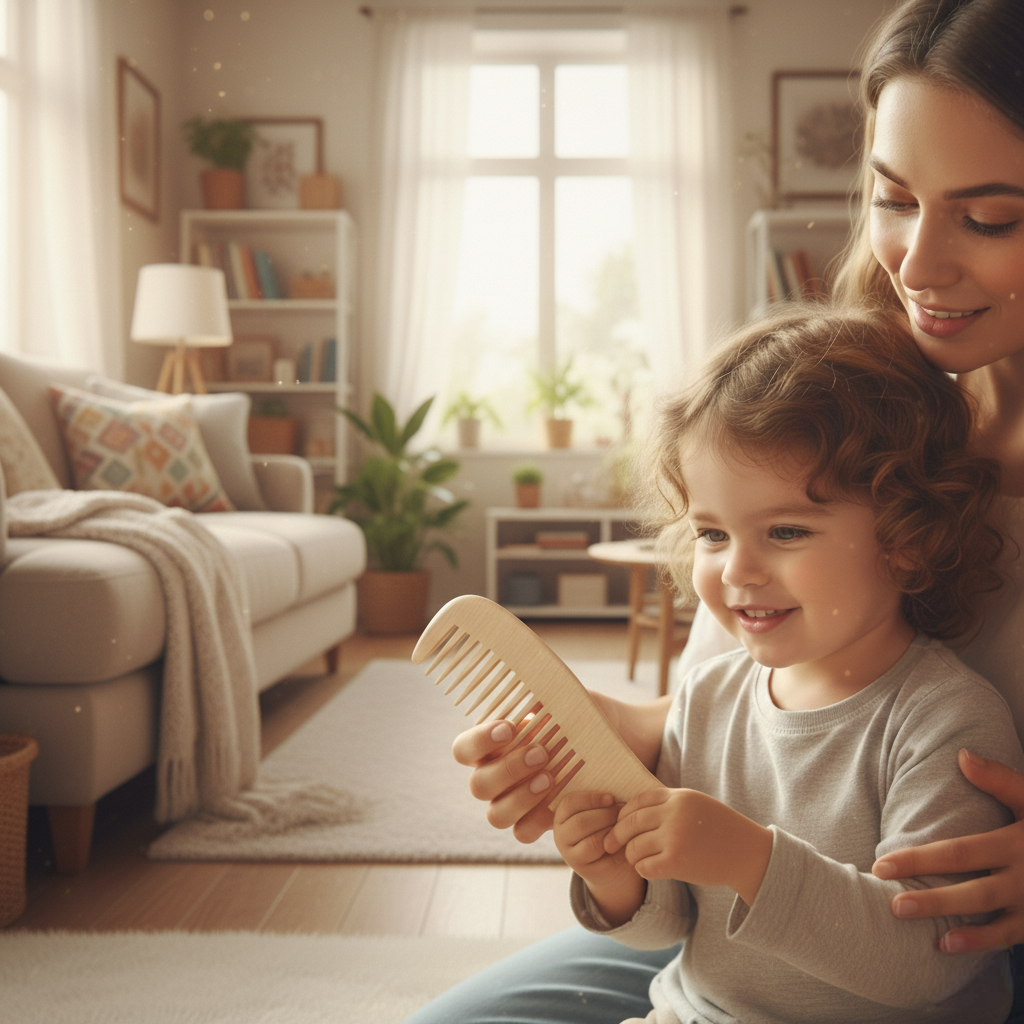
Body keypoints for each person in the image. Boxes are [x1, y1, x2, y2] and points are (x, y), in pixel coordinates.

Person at [405, 0, 1024, 1021]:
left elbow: (910, 946)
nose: (916, 263)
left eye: (990, 216)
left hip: (932, 946)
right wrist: (606, 749)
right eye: (892, 197)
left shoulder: (937, 707)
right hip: (739, 940)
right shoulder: (852, 419)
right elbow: (738, 709)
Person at [553, 304, 1022, 1024]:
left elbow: (931, 959)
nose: (736, 570)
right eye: (711, 532)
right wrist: (614, 875)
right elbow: (670, 925)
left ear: (909, 537)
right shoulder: (707, 694)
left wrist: (749, 859)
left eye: (787, 530)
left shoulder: (944, 720)